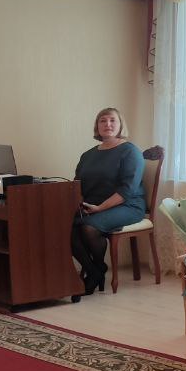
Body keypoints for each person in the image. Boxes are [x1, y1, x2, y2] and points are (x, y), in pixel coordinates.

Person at [71, 107, 146, 296]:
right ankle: (96, 270)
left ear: (120, 125)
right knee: (64, 227)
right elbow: (77, 184)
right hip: (93, 206)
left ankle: (94, 272)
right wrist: (80, 203)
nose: (108, 124)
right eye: (102, 121)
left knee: (89, 227)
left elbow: (127, 190)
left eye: (112, 120)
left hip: (127, 205)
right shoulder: (87, 155)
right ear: (97, 126)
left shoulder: (131, 151)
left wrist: (99, 208)